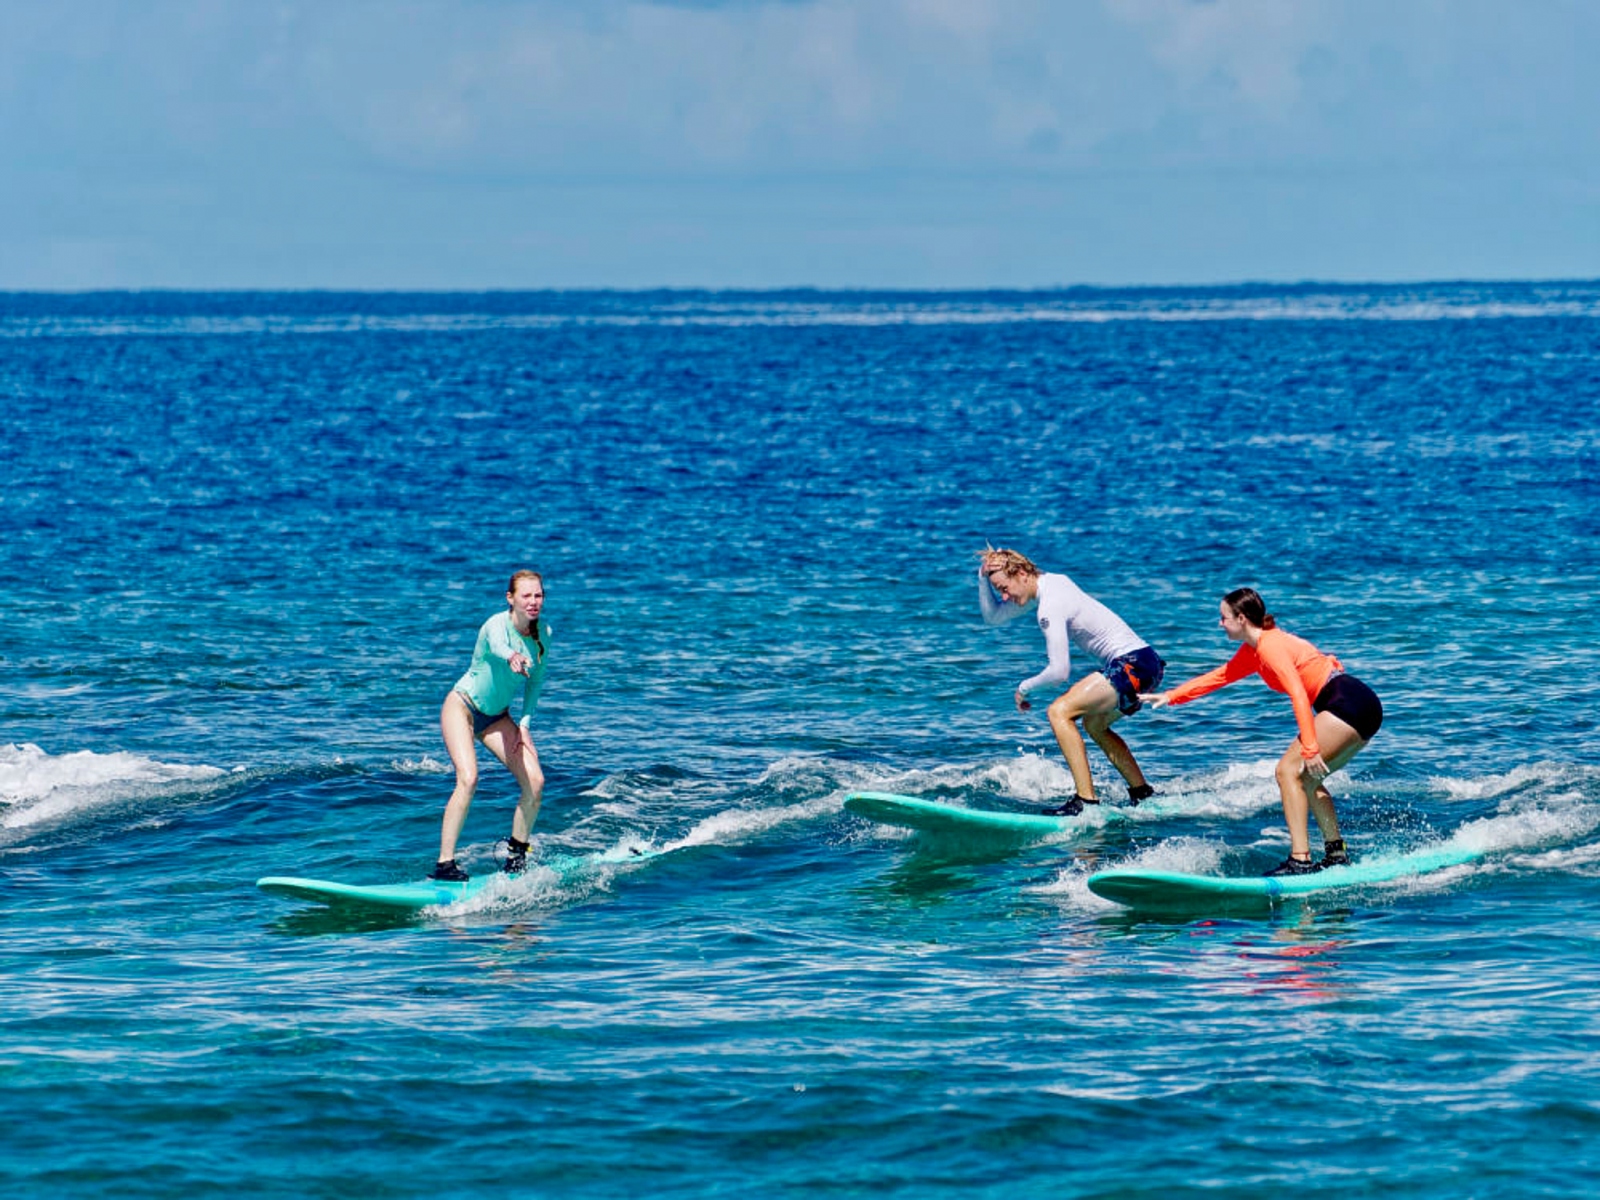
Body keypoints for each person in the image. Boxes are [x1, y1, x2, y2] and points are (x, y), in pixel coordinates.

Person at [1142, 587, 1383, 876]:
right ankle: (1336, 854)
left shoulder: (1270, 647)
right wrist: (1171, 696)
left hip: (1347, 703)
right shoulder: (1253, 651)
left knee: (1286, 771)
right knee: (1307, 779)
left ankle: (1300, 860)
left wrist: (1310, 748)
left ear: (1241, 618)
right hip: (1357, 704)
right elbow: (1220, 676)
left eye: (1224, 618)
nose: (1220, 624)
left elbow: (1297, 694)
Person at [977, 548, 1165, 816]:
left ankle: (1085, 801)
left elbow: (1059, 672)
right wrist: (982, 578)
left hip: (1132, 664)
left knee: (1059, 712)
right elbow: (993, 617)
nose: (1004, 597)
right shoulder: (1053, 582)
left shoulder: (1050, 605)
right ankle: (1142, 793)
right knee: (1094, 725)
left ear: (1021, 574)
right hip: (1148, 663)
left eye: (1003, 589)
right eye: (999, 591)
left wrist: (1023, 688)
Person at [430, 570, 552, 881]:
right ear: (510, 598)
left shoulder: (544, 634)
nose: (533, 601)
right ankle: (444, 865)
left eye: (538, 595)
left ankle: (516, 858)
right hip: (462, 707)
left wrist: (524, 725)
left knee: (535, 782)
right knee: (468, 779)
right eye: (526, 595)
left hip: (497, 717)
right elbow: (498, 645)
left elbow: (535, 682)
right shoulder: (496, 624)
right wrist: (512, 656)